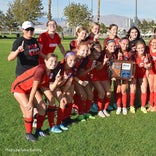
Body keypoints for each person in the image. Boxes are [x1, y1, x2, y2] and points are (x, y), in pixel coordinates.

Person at [11, 53, 64, 142]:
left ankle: (38, 130)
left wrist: (57, 81)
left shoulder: (49, 72)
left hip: (30, 89)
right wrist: (30, 102)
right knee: (29, 109)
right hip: (19, 88)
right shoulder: (41, 70)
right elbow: (35, 87)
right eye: (51, 61)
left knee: (43, 108)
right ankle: (28, 133)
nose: (53, 64)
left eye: (55, 62)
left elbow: (49, 88)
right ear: (45, 61)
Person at [134, 40, 151, 113]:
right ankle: (133, 104)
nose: (141, 49)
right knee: (134, 90)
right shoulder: (133, 55)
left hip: (143, 75)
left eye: (142, 48)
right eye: (139, 48)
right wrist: (137, 65)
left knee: (143, 89)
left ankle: (143, 106)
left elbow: (148, 66)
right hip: (134, 75)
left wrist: (147, 66)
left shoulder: (146, 56)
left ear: (144, 48)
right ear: (136, 49)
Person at [147, 36, 156, 112]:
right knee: (151, 89)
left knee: (155, 89)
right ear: (150, 43)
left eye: (155, 42)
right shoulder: (148, 50)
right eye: (153, 42)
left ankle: (155, 105)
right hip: (150, 72)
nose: (154, 44)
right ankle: (151, 104)